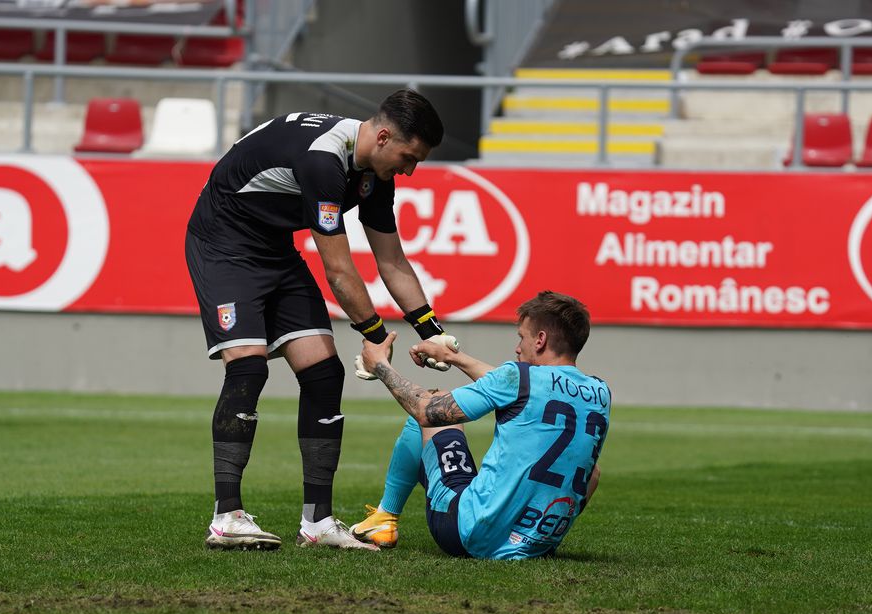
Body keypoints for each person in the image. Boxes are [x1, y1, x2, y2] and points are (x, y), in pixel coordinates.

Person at [185, 89, 457, 552]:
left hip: (274, 247)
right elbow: (339, 270)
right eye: (409, 158)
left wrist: (433, 333)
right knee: (249, 366)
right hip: (223, 244)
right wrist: (374, 336)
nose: (410, 170)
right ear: (384, 137)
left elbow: (392, 262)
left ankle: (317, 524)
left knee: (324, 373)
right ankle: (226, 517)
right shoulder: (323, 161)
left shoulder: (374, 173)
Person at [354, 291, 610, 560]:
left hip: (467, 533)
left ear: (540, 340)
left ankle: (385, 517)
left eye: (521, 337)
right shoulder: (600, 392)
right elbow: (517, 386)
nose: (517, 348)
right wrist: (452, 356)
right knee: (592, 472)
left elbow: (426, 412)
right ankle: (534, 536)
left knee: (436, 402)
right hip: (536, 546)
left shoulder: (520, 377)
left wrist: (380, 365)